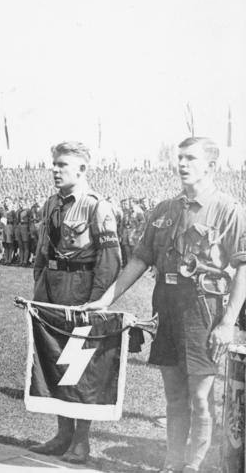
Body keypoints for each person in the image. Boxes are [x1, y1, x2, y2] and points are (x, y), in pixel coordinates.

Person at [83, 136, 246, 472]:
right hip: (166, 309)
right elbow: (140, 260)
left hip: (203, 310)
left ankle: (193, 465)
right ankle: (172, 463)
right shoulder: (165, 209)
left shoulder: (229, 210)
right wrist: (106, 298)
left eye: (190, 158)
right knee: (173, 396)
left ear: (211, 166)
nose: (182, 164)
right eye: (179, 157)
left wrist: (228, 321)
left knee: (200, 398)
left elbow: (244, 265)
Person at [28, 141, 121, 464]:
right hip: (52, 293)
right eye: (53, 164)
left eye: (62, 165)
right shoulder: (51, 204)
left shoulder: (97, 207)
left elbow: (109, 262)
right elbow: (43, 252)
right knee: (56, 365)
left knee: (81, 370)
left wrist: (95, 302)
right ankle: (62, 435)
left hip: (82, 295)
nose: (54, 170)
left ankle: (81, 442)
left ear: (81, 170)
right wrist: (39, 293)